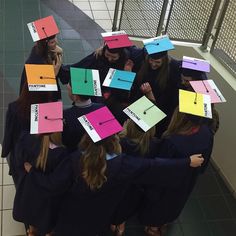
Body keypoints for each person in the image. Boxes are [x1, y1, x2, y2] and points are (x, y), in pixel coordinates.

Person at [139, 108, 214, 236]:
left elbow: (161, 167)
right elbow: (203, 164)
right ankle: (164, 222)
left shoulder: (173, 140)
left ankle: (153, 227)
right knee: (176, 202)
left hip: (168, 182)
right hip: (187, 180)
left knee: (159, 205)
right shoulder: (207, 134)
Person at [13, 131, 70, 236]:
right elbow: (55, 183)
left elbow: (18, 162)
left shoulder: (25, 139)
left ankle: (31, 232)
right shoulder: (62, 154)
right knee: (47, 225)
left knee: (31, 221)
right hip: (47, 201)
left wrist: (31, 172)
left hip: (28, 192)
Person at [1, 81, 55, 185]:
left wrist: (5, 151)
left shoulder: (14, 107)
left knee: (22, 190)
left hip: (19, 156)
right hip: (42, 156)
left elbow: (9, 133)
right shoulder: (49, 108)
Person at [20, 34, 67, 100]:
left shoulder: (41, 50)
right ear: (44, 45)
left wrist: (58, 54)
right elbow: (40, 94)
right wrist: (52, 75)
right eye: (52, 42)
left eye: (56, 39)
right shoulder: (35, 63)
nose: (57, 43)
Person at [62, 82, 104, 151]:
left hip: (75, 156)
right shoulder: (101, 108)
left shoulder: (67, 115)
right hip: (99, 155)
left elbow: (65, 141)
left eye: (68, 90)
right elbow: (108, 139)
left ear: (75, 96)